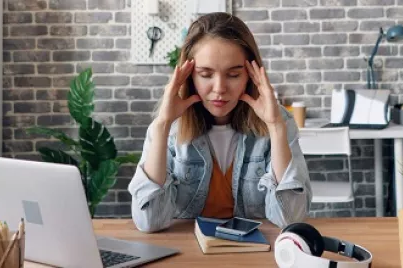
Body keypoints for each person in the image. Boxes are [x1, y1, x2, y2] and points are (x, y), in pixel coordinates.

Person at [127, 12, 312, 233]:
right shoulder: (169, 127)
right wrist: (162, 125)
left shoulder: (279, 122)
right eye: (205, 74)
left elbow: (290, 218)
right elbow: (149, 221)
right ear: (189, 76)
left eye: (233, 75)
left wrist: (276, 126)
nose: (219, 88)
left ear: (251, 75)